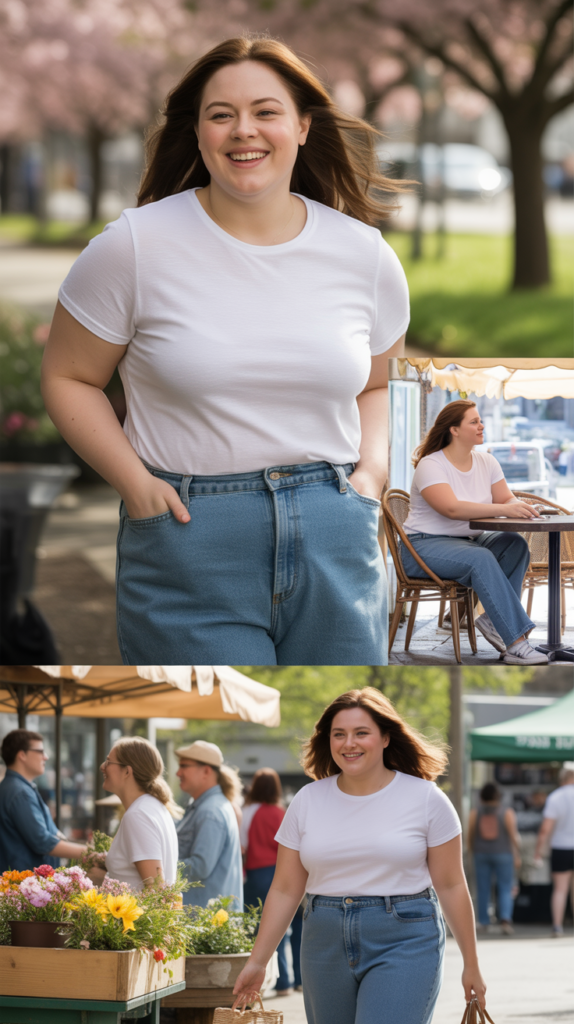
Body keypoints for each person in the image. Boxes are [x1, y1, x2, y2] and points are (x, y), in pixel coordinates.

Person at [41, 35, 411, 668]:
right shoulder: (133, 247)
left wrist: (370, 477)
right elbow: (69, 377)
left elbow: (379, 387)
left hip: (336, 532)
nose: (245, 131)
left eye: (266, 111)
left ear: (301, 125)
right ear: (200, 130)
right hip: (189, 536)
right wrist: (135, 484)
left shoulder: (365, 255)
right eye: (222, 114)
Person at [232, 688, 487, 1024]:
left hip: (405, 937)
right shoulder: (307, 801)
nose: (348, 743)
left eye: (361, 733)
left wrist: (471, 963)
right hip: (323, 937)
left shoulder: (427, 799)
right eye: (339, 734)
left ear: (384, 738)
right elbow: (284, 889)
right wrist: (258, 961)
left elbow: (452, 885)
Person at [400, 400, 548, 665]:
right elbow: (451, 509)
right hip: (421, 547)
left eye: (480, 420)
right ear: (454, 430)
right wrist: (506, 509)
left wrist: (519, 507)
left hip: (468, 542)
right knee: (480, 558)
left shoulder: (486, 461)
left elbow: (506, 499)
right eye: (474, 421)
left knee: (513, 544)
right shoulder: (431, 465)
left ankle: (493, 621)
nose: (481, 425)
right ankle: (516, 642)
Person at [95, 736, 179, 889]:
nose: (102, 766)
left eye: (108, 761)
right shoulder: (151, 807)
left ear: (127, 771)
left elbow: (155, 889)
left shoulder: (138, 815)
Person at [241, 768, 296, 995]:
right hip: (278, 872)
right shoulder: (280, 813)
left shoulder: (250, 813)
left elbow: (244, 844)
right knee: (282, 926)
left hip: (255, 874)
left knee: (259, 928)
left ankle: (266, 979)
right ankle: (286, 981)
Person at [0, 729, 87, 872]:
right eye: (40, 751)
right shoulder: (20, 793)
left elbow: (53, 836)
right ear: (22, 755)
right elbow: (43, 842)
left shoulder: (18, 788)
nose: (45, 757)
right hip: (25, 886)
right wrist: (92, 854)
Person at [175, 741, 243, 908]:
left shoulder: (210, 811)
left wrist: (155, 867)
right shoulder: (209, 806)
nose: (178, 772)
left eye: (184, 766)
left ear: (206, 771)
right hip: (208, 922)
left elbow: (200, 867)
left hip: (206, 923)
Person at [468, 782, 521, 935]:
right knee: (505, 887)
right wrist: (517, 855)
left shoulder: (475, 812)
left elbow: (470, 834)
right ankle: (505, 920)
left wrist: (472, 851)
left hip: (481, 854)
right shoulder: (506, 812)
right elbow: (513, 837)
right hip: (504, 853)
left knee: (482, 888)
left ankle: (484, 922)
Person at [534, 765, 574, 936]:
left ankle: (557, 926)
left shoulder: (556, 797)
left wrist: (538, 850)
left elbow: (545, 829)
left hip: (560, 847)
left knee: (560, 889)